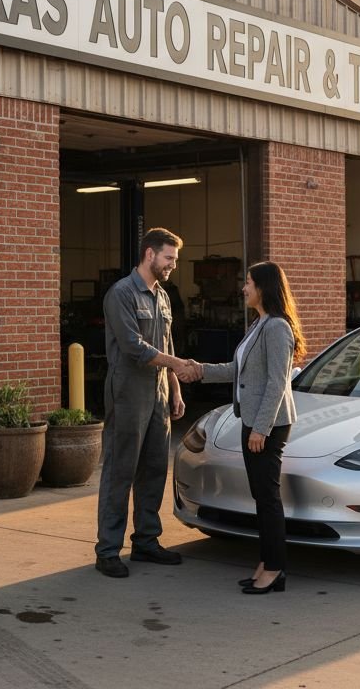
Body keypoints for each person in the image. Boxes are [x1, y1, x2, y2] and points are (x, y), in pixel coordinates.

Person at [190, 261, 306, 594]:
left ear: (265, 288)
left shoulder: (277, 328)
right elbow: (239, 371)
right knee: (261, 496)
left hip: (266, 425)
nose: (244, 288)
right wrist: (200, 370)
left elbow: (276, 382)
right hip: (253, 421)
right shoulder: (260, 324)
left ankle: (274, 568)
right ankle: (267, 562)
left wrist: (261, 429)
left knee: (267, 498)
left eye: (249, 282)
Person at [95, 228, 202, 578]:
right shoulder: (121, 294)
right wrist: (176, 366)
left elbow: (166, 344)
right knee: (120, 469)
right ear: (149, 254)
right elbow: (133, 347)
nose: (173, 265)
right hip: (128, 390)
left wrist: (175, 389)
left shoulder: (163, 296)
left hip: (158, 391)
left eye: (174, 259)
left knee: (155, 467)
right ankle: (108, 550)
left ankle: (146, 541)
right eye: (169, 258)